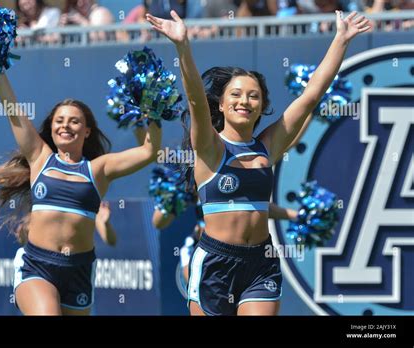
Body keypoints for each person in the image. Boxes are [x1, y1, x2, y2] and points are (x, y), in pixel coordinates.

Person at [146, 9, 370, 315]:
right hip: (215, 263)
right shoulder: (210, 147)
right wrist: (182, 46)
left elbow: (311, 96)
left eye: (253, 96)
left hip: (261, 262)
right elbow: (196, 100)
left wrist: (341, 40)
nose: (245, 101)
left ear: (262, 104)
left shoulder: (268, 145)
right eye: (236, 94)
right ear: (222, 105)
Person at [0, 73, 161, 315]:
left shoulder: (99, 169)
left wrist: (147, 106)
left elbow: (150, 150)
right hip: (37, 267)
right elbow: (12, 110)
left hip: (78, 270)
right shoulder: (40, 157)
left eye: (74, 121)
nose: (65, 125)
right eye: (59, 120)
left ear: (87, 131)